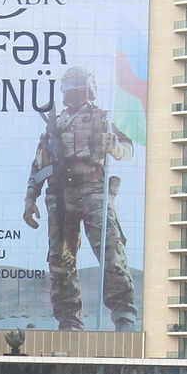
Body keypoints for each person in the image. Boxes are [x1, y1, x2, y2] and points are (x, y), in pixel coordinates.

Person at [24, 66, 138, 331]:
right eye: (67, 85)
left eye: (76, 84)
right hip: (61, 198)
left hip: (94, 191)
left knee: (112, 255)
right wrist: (31, 198)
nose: (71, 90)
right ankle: (69, 321)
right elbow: (39, 164)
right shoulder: (55, 124)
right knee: (61, 262)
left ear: (89, 87)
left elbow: (128, 148)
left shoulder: (102, 119)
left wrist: (114, 147)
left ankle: (124, 316)